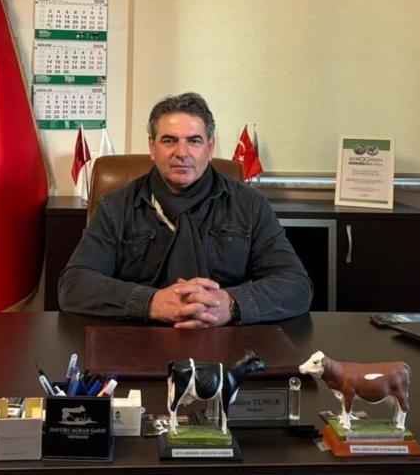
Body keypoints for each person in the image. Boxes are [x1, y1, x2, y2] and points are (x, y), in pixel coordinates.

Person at [58, 93, 313, 328]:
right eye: (169, 140)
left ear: (210, 148)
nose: (182, 153)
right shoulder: (115, 207)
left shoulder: (249, 204)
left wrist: (231, 304)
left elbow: (296, 284)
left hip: (226, 338)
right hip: (140, 336)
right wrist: (150, 303)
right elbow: (74, 285)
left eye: (194, 141)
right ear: (152, 147)